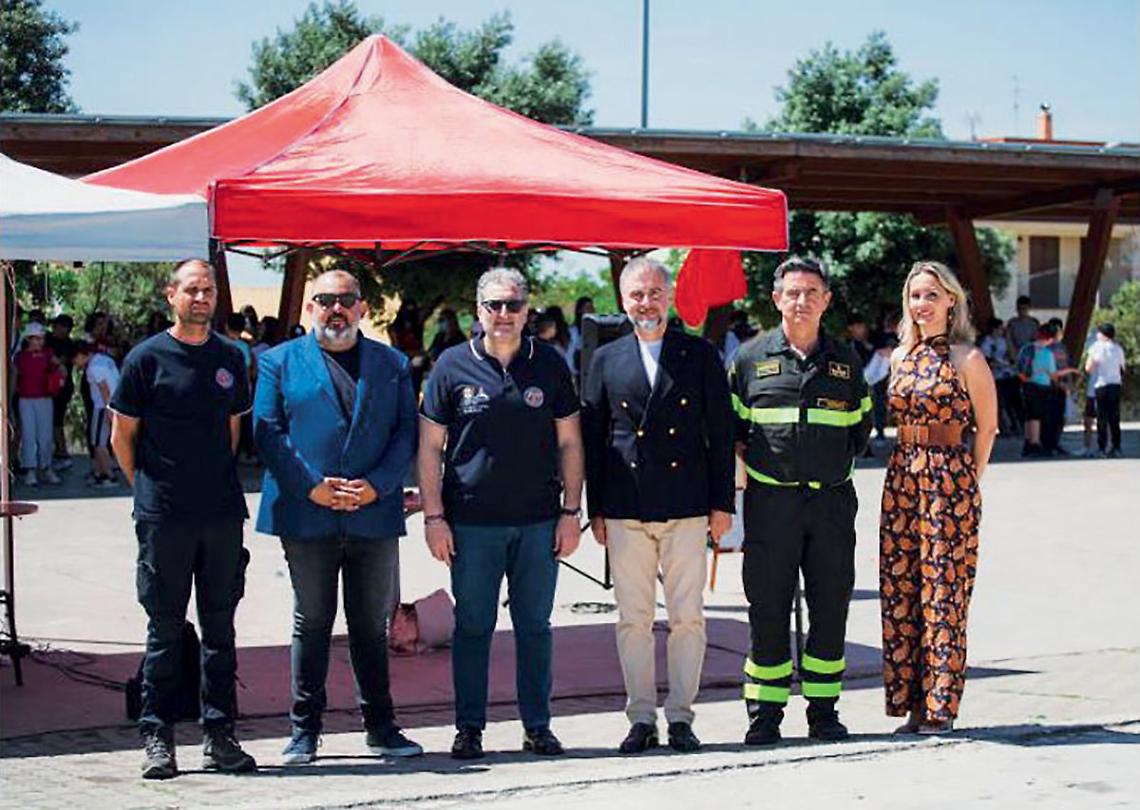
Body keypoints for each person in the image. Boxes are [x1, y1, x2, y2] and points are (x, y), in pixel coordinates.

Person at [254, 270, 422, 764]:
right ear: (310, 309)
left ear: (363, 308)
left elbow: (405, 434)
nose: (336, 308)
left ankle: (382, 728)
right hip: (307, 513)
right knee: (312, 621)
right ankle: (304, 731)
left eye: (346, 300)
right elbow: (268, 432)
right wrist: (312, 487)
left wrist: (378, 485)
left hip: (373, 511)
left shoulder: (391, 363)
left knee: (371, 624)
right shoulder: (278, 362)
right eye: (324, 299)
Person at [418, 267, 584, 760]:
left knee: (535, 627)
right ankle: (469, 727)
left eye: (513, 305)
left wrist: (571, 511)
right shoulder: (450, 365)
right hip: (471, 523)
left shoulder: (550, 364)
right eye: (494, 305)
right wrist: (433, 517)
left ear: (527, 310)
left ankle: (538, 726)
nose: (504, 314)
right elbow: (429, 448)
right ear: (478, 311)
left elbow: (571, 441)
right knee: (473, 627)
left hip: (538, 521)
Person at [109, 259, 257, 780]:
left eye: (209, 290)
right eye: (192, 289)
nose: (201, 297)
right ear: (171, 295)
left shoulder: (231, 358)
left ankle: (220, 738)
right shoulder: (145, 359)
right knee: (164, 631)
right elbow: (121, 438)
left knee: (220, 630)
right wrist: (150, 491)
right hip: (164, 517)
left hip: (219, 514)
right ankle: (158, 738)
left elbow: (233, 432)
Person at [582, 258, 734, 754]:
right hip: (627, 505)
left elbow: (720, 432)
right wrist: (596, 507)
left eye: (653, 293)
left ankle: (682, 717)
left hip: (687, 503)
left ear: (668, 297)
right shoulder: (606, 360)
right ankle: (641, 716)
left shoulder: (700, 354)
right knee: (634, 618)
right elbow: (594, 436)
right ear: (623, 301)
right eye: (636, 296)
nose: (645, 303)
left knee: (688, 616)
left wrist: (721, 502)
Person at [728, 256, 871, 746]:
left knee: (830, 605)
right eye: (793, 292)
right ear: (776, 299)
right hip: (772, 506)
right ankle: (765, 714)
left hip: (831, 505)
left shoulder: (845, 361)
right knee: (767, 606)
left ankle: (824, 711)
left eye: (812, 292)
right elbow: (736, 432)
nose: (802, 300)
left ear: (827, 300)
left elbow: (861, 432)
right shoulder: (749, 359)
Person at [879, 260, 997, 734]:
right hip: (901, 477)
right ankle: (910, 704)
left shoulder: (967, 359)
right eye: (914, 295)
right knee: (901, 589)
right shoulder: (897, 357)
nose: (921, 304)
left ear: (951, 300)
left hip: (948, 481)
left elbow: (986, 428)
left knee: (944, 592)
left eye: (931, 294)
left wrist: (969, 479)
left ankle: (941, 706)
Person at [13, 322, 61, 486]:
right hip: (25, 399)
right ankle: (30, 470)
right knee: (28, 435)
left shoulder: (48, 354)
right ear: (29, 339)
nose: (40, 342)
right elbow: (14, 376)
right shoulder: (20, 357)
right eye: (37, 339)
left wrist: (57, 379)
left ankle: (46, 468)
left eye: (42, 338)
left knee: (45, 435)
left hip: (45, 399)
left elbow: (61, 370)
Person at [74, 340, 119, 488]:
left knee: (99, 444)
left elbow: (104, 388)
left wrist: (108, 409)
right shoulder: (104, 359)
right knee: (98, 442)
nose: (75, 363)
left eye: (75, 359)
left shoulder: (93, 367)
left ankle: (109, 476)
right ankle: (99, 472)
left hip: (102, 407)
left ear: (81, 355)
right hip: (114, 404)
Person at [1085, 322, 1126, 457]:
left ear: (1103, 335)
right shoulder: (1118, 348)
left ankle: (1102, 447)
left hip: (1101, 384)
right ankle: (1116, 446)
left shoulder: (1096, 347)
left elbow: (1088, 368)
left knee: (1101, 418)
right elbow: (1122, 368)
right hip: (1115, 384)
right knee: (1114, 417)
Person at [979, 318, 1020, 436]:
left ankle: (1015, 425)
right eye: (1000, 328)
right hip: (996, 376)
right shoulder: (987, 342)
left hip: (1008, 373)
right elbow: (987, 360)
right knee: (1000, 402)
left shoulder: (1003, 341)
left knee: (1012, 401)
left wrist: (1008, 339)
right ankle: (1003, 426)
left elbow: (1012, 355)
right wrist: (1000, 365)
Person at [45, 314, 77, 469]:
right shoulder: (46, 339)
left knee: (57, 420)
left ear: (65, 329)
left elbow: (63, 362)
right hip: (45, 386)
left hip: (61, 387)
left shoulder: (69, 345)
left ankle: (62, 451)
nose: (54, 329)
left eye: (57, 326)